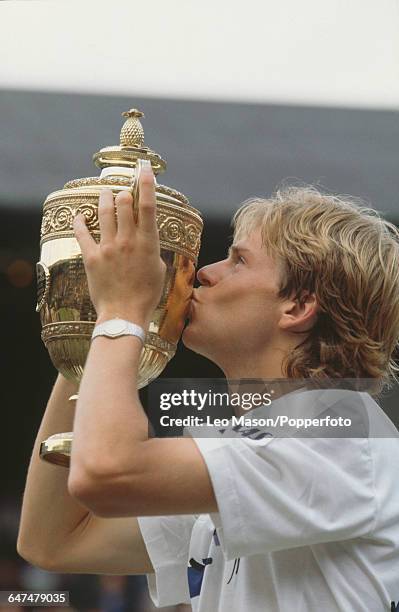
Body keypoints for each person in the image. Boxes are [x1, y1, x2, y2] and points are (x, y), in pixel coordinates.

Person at [17, 160, 399, 611]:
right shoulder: (260, 445)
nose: (205, 273)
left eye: (238, 261)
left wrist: (119, 309)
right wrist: (87, 338)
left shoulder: (341, 432)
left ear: (298, 306)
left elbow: (105, 471)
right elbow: (54, 541)